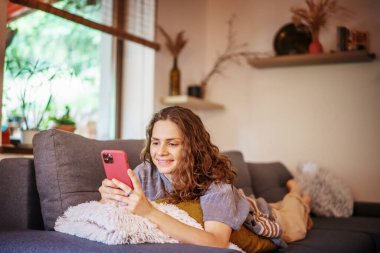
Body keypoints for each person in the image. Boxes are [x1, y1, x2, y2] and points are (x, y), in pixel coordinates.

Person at [99, 106, 312, 249]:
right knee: (281, 205)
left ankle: (297, 194)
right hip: (239, 204)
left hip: (260, 215)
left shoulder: (216, 184)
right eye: (156, 142)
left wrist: (150, 212)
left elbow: (217, 242)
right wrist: (107, 197)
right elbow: (113, 209)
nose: (160, 152)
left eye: (172, 143)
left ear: (192, 147)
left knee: (298, 220)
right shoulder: (146, 172)